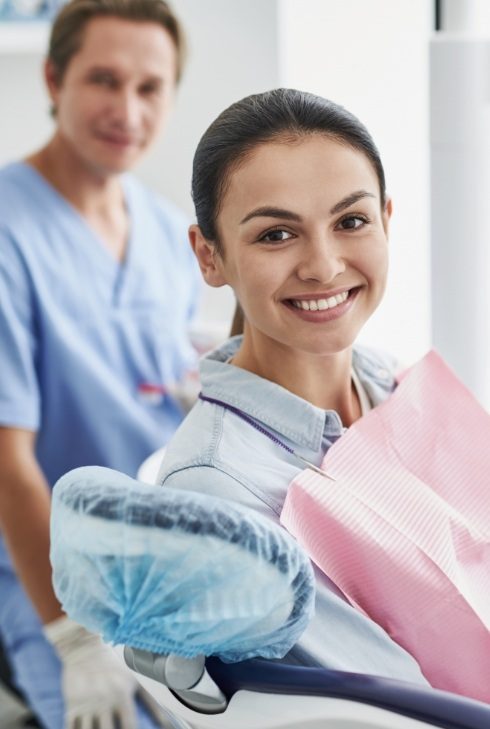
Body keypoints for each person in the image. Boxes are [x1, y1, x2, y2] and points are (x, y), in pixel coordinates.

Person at [157, 88, 430, 685]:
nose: (324, 265)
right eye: (277, 235)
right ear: (210, 256)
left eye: (351, 221)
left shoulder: (391, 384)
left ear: (386, 220)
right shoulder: (214, 494)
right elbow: (404, 698)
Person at [0, 0, 199, 727]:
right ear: (54, 79)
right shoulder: (7, 231)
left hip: (165, 564)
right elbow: (6, 461)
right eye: (103, 81)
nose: (128, 110)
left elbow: (161, 383)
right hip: (52, 575)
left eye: (150, 88)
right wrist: (73, 638)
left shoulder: (166, 230)